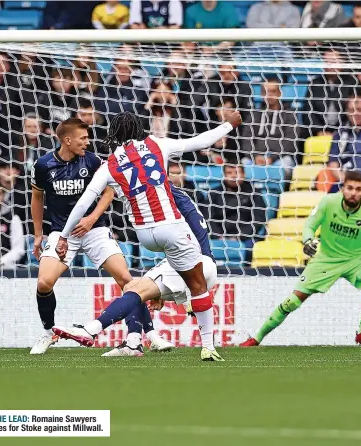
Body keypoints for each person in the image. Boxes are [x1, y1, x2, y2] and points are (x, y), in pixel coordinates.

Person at [51, 110, 243, 361]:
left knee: (136, 286)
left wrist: (64, 236)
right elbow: (201, 142)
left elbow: (84, 202)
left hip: (144, 234)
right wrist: (229, 125)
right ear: (139, 129)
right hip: (170, 227)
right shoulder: (156, 144)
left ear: (113, 134)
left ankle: (122, 337)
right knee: (198, 283)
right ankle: (208, 346)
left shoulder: (109, 165)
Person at [240, 171, 361, 348]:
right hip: (326, 259)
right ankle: (257, 337)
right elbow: (310, 225)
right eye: (350, 188)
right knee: (293, 301)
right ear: (342, 189)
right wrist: (307, 240)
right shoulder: (328, 203)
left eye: (358, 189)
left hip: (357, 259)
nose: (353, 193)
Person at [29, 118, 170, 355]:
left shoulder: (93, 161)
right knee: (44, 283)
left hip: (95, 230)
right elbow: (37, 197)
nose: (87, 142)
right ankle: (48, 332)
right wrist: (37, 235)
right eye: (83, 138)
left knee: (127, 279)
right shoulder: (43, 165)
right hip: (62, 233)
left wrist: (92, 218)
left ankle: (150, 335)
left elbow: (109, 191)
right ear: (67, 140)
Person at [103, 183, 217, 356]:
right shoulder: (179, 198)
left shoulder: (166, 199)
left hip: (194, 264)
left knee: (133, 289)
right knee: (131, 287)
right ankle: (139, 340)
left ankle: (93, 329)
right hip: (202, 265)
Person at [240, 78, 299, 169]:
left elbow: (290, 141)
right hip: (256, 158)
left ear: (279, 93)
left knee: (284, 164)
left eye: (273, 91)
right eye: (266, 92)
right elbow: (246, 139)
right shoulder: (254, 115)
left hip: (280, 158)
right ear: (262, 94)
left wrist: (272, 158)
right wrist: (255, 156)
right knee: (243, 164)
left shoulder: (289, 115)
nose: (270, 95)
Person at [207, 164, 267, 242]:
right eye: (229, 173)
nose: (234, 176)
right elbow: (207, 218)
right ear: (224, 175)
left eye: (237, 172)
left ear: (243, 174)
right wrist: (218, 236)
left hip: (247, 239)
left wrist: (239, 237)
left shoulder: (254, 193)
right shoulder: (214, 193)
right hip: (218, 239)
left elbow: (258, 219)